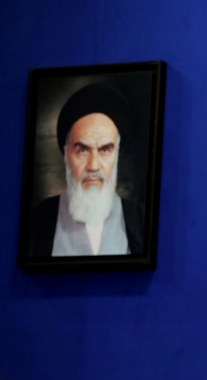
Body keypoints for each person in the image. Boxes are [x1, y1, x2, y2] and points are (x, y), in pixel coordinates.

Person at [28, 82, 144, 256]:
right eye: (82, 150)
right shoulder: (37, 221)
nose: (93, 166)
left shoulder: (141, 220)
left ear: (117, 154)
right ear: (66, 153)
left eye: (105, 150)